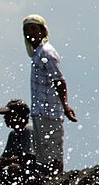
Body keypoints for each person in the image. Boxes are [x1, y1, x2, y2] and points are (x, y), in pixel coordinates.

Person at [22, 14, 77, 176]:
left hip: (50, 112)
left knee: (53, 154)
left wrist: (65, 106)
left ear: (43, 31)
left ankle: (56, 182)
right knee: (44, 155)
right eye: (27, 30)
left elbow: (59, 81)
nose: (30, 33)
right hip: (40, 111)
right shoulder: (37, 54)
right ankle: (49, 183)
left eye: (34, 29)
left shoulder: (47, 52)